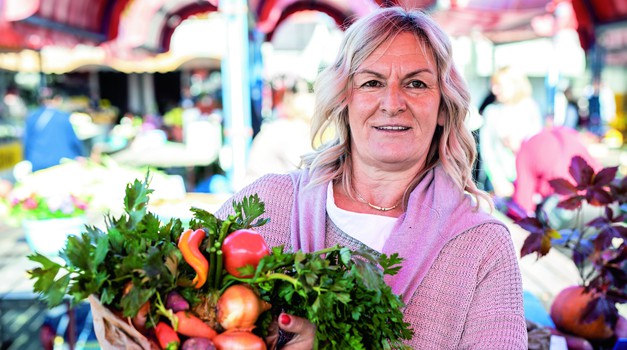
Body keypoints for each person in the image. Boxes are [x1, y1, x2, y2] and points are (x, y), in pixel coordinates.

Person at [216, 6, 527, 349]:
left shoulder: (481, 246)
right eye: (372, 82)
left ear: (443, 107)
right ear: (343, 99)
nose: (392, 102)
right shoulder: (266, 205)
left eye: (416, 84)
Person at [512, 126, 601, 225]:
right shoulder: (567, 133)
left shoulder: (525, 150)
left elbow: (523, 204)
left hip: (565, 212)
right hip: (597, 205)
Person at [479, 66, 543, 199]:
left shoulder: (530, 108)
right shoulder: (491, 111)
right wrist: (497, 180)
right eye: (493, 85)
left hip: (527, 182)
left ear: (515, 84)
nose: (494, 90)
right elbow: (487, 151)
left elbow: (538, 149)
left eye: (499, 85)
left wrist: (519, 147)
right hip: (498, 185)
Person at [22, 89, 85, 172]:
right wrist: (81, 155)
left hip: (38, 164)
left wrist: (28, 160)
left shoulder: (32, 117)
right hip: (62, 163)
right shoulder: (63, 117)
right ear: (57, 99)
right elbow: (74, 141)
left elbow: (26, 143)